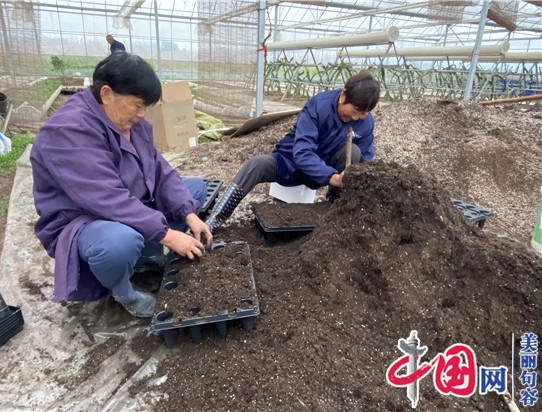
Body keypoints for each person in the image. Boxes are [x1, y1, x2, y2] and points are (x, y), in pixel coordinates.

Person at [31, 52, 212, 318]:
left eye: (145, 107)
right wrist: (169, 235)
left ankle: (146, 256)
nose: (142, 114)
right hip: (84, 220)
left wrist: (189, 213)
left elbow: (160, 170)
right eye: (137, 105)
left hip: (128, 203)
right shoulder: (68, 130)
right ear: (106, 93)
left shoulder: (129, 121)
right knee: (118, 243)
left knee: (194, 189)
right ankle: (124, 292)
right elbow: (106, 199)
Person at [206, 70, 380, 232]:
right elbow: (302, 152)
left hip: (325, 170)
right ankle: (215, 219)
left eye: (365, 113)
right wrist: (332, 177)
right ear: (343, 96)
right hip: (290, 164)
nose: (358, 117)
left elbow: (366, 161)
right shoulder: (319, 106)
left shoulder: (365, 122)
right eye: (356, 110)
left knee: (355, 153)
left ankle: (335, 210)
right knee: (256, 165)